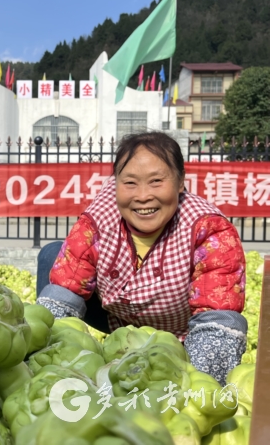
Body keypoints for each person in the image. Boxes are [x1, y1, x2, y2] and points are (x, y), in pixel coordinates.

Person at [36, 131, 246, 384]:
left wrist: (196, 386)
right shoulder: (98, 220)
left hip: (181, 330)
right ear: (115, 184)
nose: (143, 196)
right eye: (130, 183)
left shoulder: (209, 229)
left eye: (157, 181)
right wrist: (48, 359)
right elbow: (66, 285)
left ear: (181, 183)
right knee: (52, 254)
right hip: (119, 321)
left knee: (220, 332)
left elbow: (217, 316)